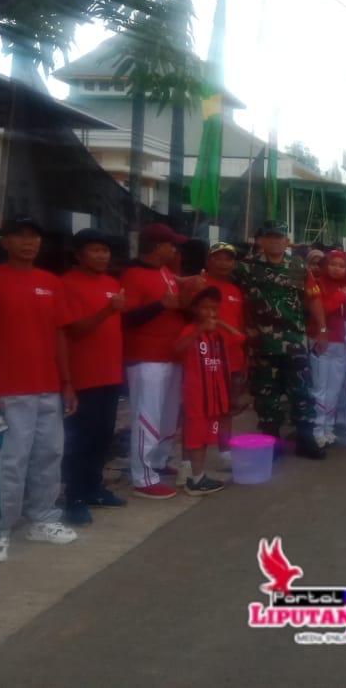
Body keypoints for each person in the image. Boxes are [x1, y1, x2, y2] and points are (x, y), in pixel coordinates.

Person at [0, 217, 79, 564]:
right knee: (7, 462)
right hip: (7, 392)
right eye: (20, 236)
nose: (29, 242)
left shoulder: (50, 283)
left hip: (47, 389)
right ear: (5, 242)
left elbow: (59, 335)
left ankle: (42, 518)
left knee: (49, 455)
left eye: (34, 237)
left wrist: (66, 383)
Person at [234, 220, 328, 460]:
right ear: (261, 240)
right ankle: (271, 441)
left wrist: (322, 329)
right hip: (261, 343)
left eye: (279, 237)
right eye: (270, 237)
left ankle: (305, 439)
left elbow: (313, 298)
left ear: (287, 241)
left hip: (294, 341)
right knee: (266, 394)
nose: (275, 241)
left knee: (302, 390)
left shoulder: (298, 266)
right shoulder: (246, 268)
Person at [60, 228, 127, 526]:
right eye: (95, 250)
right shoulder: (66, 284)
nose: (102, 256)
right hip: (82, 377)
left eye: (105, 250)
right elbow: (74, 331)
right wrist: (107, 310)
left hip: (109, 375)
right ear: (78, 254)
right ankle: (74, 497)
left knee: (102, 437)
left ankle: (93, 489)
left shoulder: (112, 283)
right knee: (79, 441)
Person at [120, 223, 192, 499]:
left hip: (170, 354)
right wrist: (161, 305)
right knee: (147, 417)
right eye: (170, 244)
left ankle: (159, 461)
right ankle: (143, 477)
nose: (174, 249)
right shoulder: (133, 275)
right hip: (146, 357)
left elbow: (175, 304)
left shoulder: (164, 272)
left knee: (167, 415)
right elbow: (126, 318)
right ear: (156, 247)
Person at [173, 287, 240, 495]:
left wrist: (220, 323)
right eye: (205, 308)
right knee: (195, 437)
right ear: (195, 309)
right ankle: (195, 478)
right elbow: (177, 349)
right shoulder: (190, 330)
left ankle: (198, 476)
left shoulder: (219, 334)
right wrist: (199, 329)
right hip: (196, 396)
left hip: (215, 397)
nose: (211, 313)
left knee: (204, 438)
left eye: (215, 308)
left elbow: (240, 337)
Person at [203, 242, 246, 471]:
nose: (223, 263)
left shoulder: (235, 290)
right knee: (200, 411)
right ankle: (191, 461)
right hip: (205, 360)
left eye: (228, 259)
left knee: (227, 409)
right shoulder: (198, 285)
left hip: (233, 360)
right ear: (208, 261)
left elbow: (239, 325)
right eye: (218, 258)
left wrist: (245, 357)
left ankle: (225, 452)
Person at [309, 250, 346, 448]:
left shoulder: (345, 287)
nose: (336, 269)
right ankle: (316, 430)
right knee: (320, 388)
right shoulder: (316, 284)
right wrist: (342, 296)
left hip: (340, 343)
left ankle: (328, 427)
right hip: (320, 341)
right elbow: (321, 309)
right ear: (325, 265)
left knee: (334, 389)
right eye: (333, 264)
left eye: (341, 266)